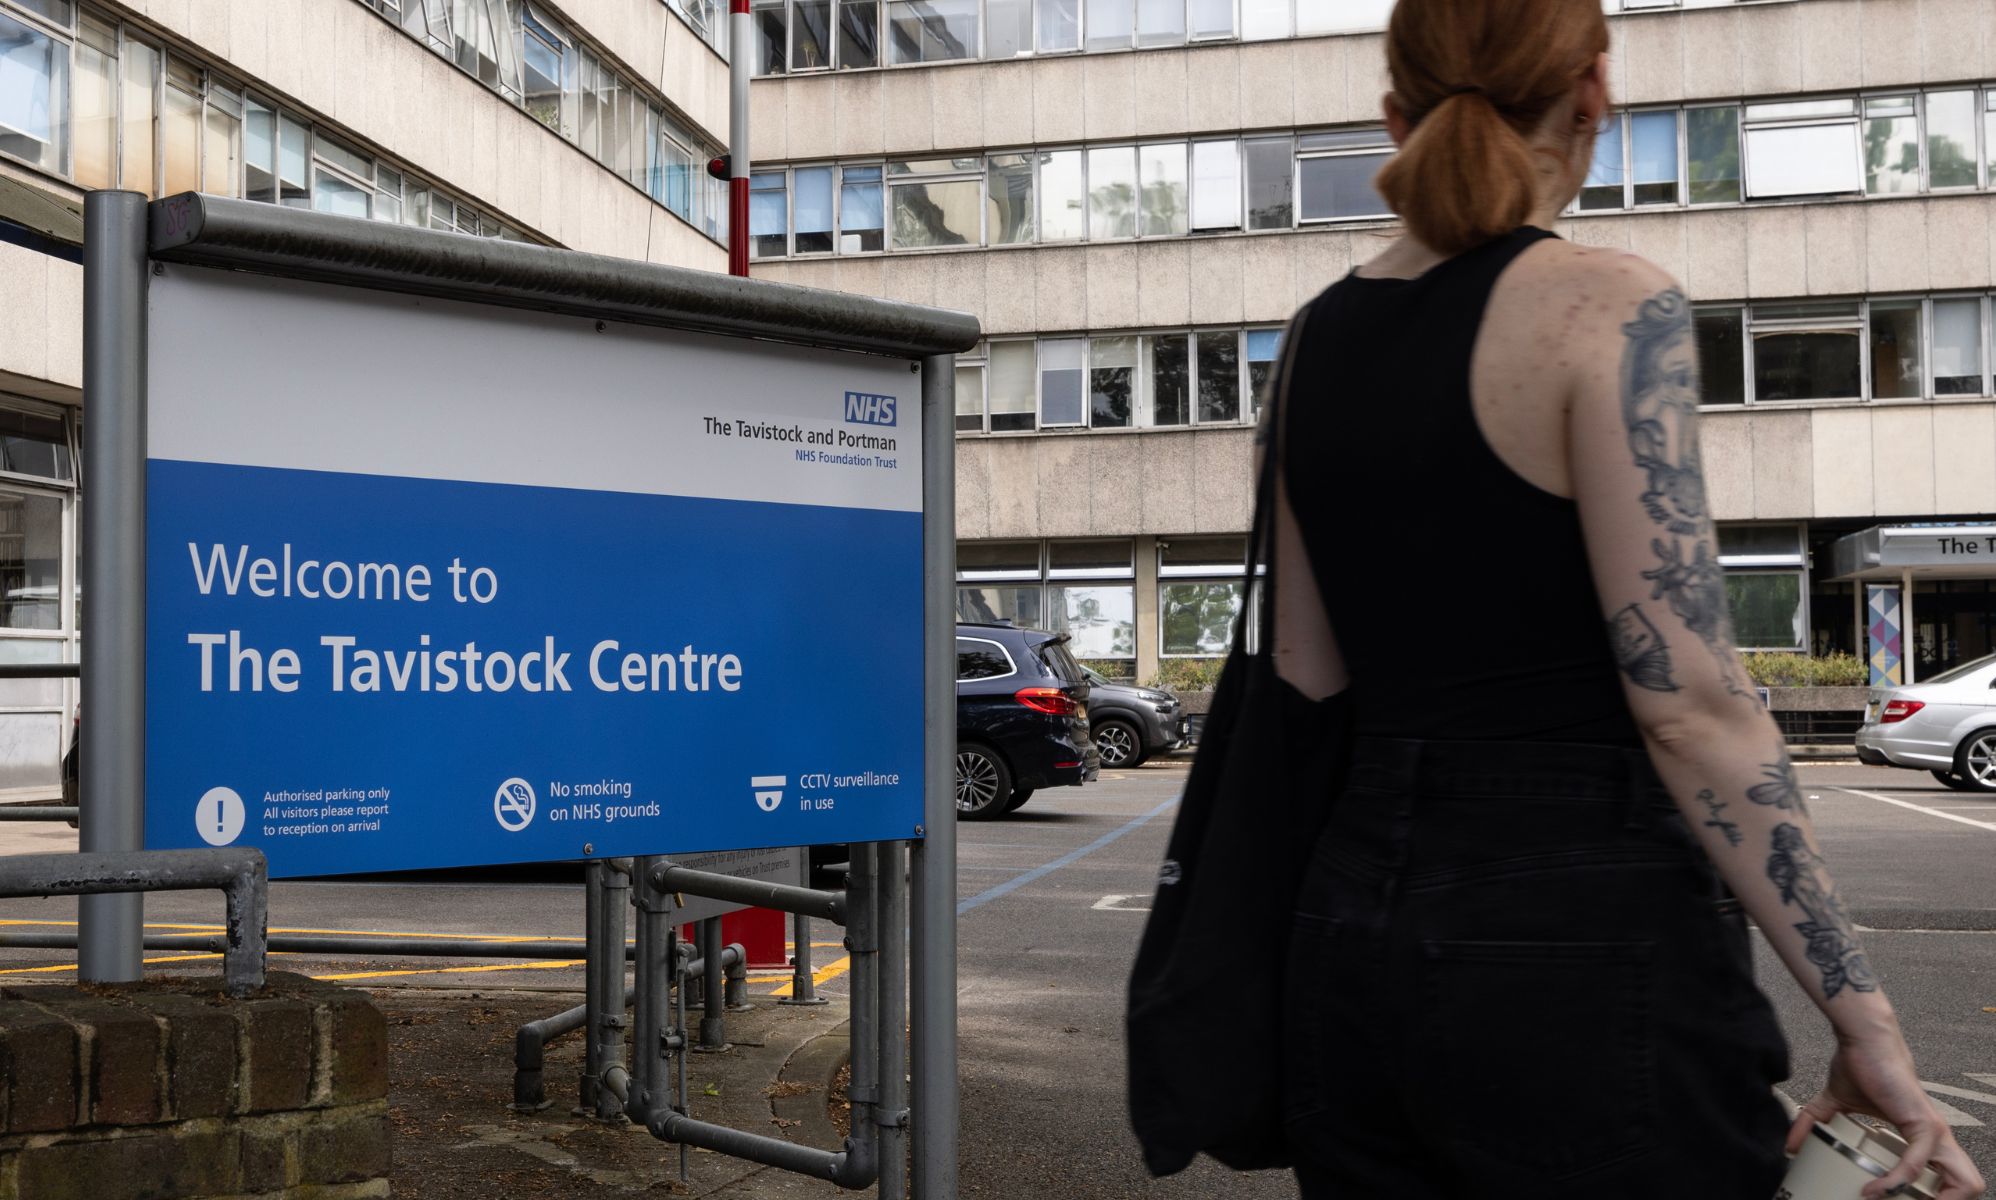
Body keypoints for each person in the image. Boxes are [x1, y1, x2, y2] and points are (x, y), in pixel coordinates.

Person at [1264, 1, 1986, 1197]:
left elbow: (1304, 675)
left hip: (1350, 932)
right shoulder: (1610, 305)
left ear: (1392, 113)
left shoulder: (1312, 340)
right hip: (1579, 925)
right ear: (1596, 90)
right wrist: (1865, 1023)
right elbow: (1690, 706)